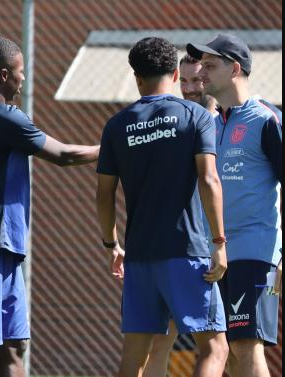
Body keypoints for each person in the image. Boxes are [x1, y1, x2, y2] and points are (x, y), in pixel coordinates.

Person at [0, 36, 99, 377]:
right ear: (3, 75)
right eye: (20, 71)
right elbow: (65, 155)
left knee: (14, 345)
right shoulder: (1, 117)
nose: (23, 79)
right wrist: (115, 146)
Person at [96, 36, 230, 377]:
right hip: (187, 252)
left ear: (136, 77)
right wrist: (219, 243)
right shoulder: (195, 116)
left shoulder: (116, 125)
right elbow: (209, 180)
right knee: (215, 348)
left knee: (134, 360)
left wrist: (112, 244)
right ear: (174, 73)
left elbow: (104, 193)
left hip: (139, 257)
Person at [187, 34, 282, 377]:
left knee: (245, 345)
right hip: (214, 255)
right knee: (221, 349)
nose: (202, 73)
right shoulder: (208, 124)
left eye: (210, 66)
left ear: (235, 69)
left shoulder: (266, 119)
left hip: (255, 251)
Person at [143, 53, 219, 377]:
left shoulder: (234, 122)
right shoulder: (175, 125)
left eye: (199, 80)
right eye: (184, 80)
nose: (190, 89)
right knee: (161, 341)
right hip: (185, 251)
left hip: (228, 248)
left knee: (232, 349)